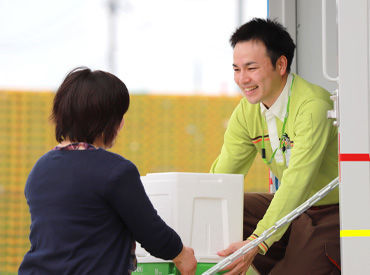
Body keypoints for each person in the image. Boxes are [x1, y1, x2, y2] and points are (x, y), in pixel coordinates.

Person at [19, 67, 197, 275]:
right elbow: (152, 234)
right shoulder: (116, 172)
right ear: (107, 121)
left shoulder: (40, 169)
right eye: (120, 116)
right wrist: (182, 254)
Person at [210, 18, 340, 274]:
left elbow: (297, 183)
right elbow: (222, 178)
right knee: (225, 207)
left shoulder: (312, 106)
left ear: (281, 64)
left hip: (330, 210)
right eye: (236, 69)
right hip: (293, 209)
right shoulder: (247, 111)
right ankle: (284, 250)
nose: (242, 79)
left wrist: (257, 242)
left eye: (251, 68)